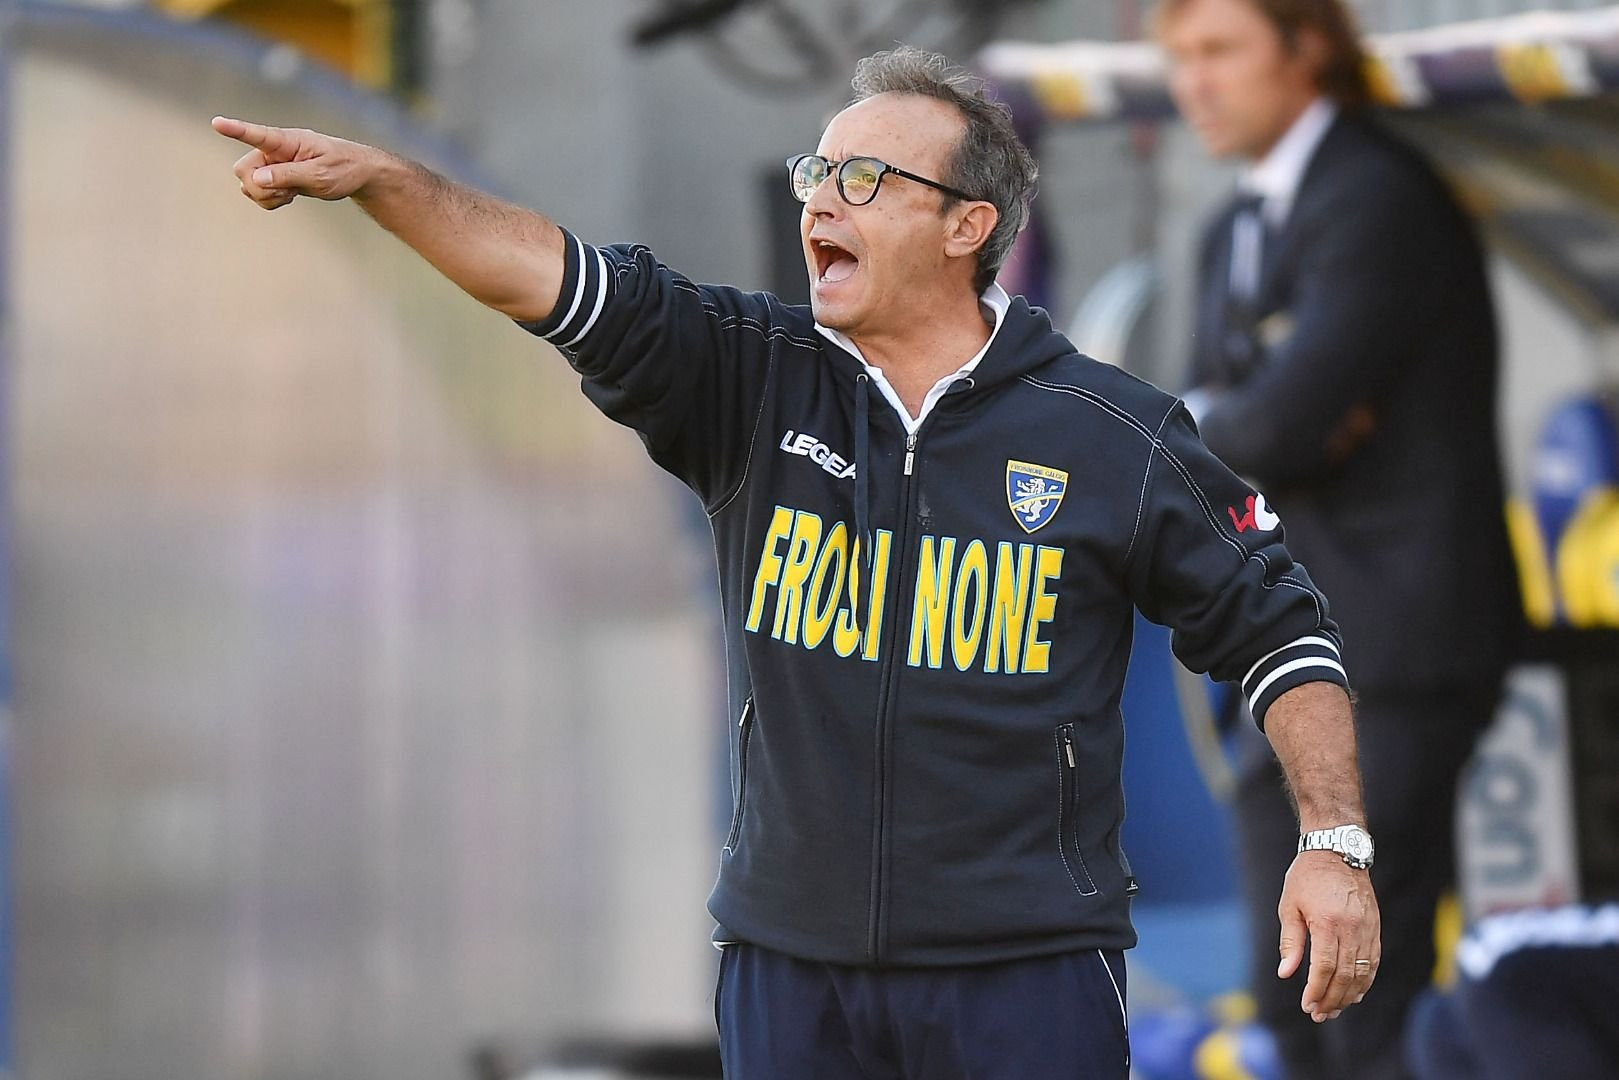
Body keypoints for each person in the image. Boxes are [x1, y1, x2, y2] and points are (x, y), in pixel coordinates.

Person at [215, 45, 1380, 1080]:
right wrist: (389, 182)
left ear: (965, 226)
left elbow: (1282, 634)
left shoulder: (1111, 435)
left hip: (1024, 974)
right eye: (814, 173)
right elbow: (543, 273)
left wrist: (1329, 845)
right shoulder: (744, 375)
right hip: (789, 970)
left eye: (862, 179)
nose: (821, 200)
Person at [1161, 2, 1523, 1077]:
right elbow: (1189, 432)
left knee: (1360, 993)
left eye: (1219, 50)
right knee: (1289, 998)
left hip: (1392, 651)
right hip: (1286, 659)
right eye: (1176, 58)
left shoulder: (1375, 196)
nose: (1191, 83)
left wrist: (1258, 418)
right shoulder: (1233, 225)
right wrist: (1251, 418)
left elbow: (1272, 425)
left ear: (1306, 45)